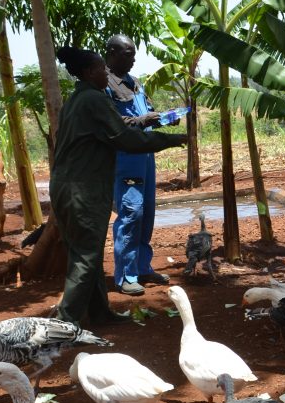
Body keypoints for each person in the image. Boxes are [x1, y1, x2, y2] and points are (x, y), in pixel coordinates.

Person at [51, 46, 187, 326]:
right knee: (86, 257)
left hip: (64, 187)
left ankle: (100, 313)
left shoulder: (77, 98)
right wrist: (173, 139)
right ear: (90, 73)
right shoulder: (94, 100)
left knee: (86, 253)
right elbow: (126, 139)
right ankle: (65, 324)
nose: (105, 73)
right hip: (83, 190)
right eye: (101, 69)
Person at [105, 34, 170, 296]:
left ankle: (143, 267)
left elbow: (145, 115)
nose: (133, 58)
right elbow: (113, 122)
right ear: (111, 52)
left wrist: (163, 118)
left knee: (147, 213)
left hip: (145, 156)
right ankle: (125, 276)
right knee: (131, 212)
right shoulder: (105, 83)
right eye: (127, 53)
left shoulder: (135, 83)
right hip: (125, 159)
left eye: (133, 53)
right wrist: (143, 120)